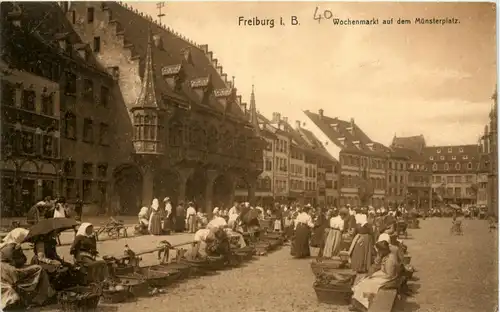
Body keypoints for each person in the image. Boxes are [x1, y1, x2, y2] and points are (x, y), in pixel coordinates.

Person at [0, 228, 55, 310]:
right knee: (39, 269)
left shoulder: (5, 245)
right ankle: (41, 297)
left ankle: (41, 295)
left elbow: (20, 260)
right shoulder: (12, 247)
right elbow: (21, 260)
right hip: (11, 271)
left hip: (5, 271)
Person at [350, 240, 400, 311]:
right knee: (363, 281)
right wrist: (379, 257)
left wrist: (376, 276)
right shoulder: (385, 255)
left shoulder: (390, 259)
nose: (378, 252)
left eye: (379, 250)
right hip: (384, 275)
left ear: (383, 250)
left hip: (389, 279)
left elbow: (389, 275)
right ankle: (359, 303)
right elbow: (376, 264)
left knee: (368, 284)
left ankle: (364, 305)